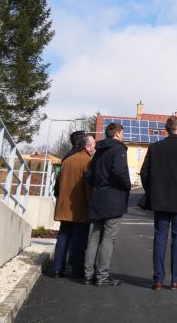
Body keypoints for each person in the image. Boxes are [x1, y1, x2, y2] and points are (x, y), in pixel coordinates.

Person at [140, 116, 177, 291]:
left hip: (160, 201)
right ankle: (176, 280)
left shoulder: (155, 147)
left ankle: (158, 279)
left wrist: (152, 191)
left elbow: (144, 173)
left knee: (160, 238)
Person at [83, 122, 130, 287]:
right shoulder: (118, 149)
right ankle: (102, 276)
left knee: (94, 236)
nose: (123, 136)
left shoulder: (98, 151)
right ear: (117, 134)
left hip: (97, 198)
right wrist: (127, 185)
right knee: (108, 238)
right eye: (122, 133)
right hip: (113, 199)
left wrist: (99, 185)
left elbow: (89, 176)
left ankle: (88, 275)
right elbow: (119, 172)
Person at [51, 134, 94, 278]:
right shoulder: (87, 161)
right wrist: (92, 205)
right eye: (93, 144)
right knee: (79, 241)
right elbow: (88, 187)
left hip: (64, 206)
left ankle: (57, 269)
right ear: (87, 146)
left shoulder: (67, 160)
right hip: (79, 208)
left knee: (63, 237)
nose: (95, 147)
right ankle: (77, 270)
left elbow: (58, 183)